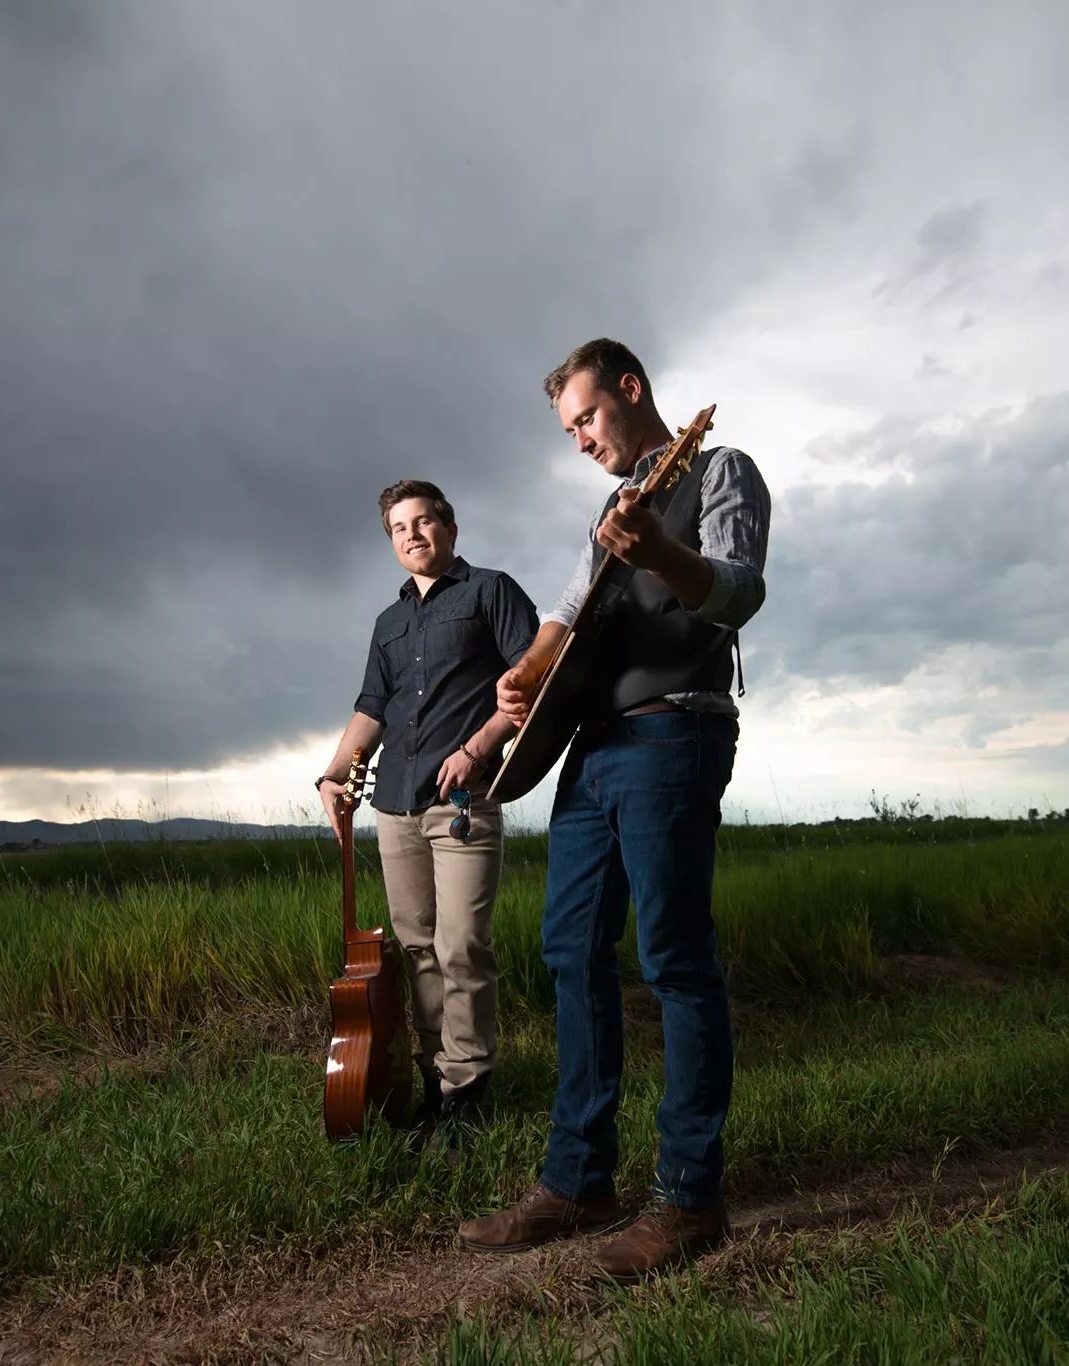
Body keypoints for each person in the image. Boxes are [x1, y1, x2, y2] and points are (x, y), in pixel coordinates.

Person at [457, 339, 770, 1280]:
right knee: (569, 951)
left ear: (631, 389)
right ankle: (578, 1182)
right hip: (591, 747)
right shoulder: (610, 508)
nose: (583, 440)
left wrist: (661, 552)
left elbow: (738, 593)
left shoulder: (721, 470)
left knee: (673, 957)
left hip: (674, 731)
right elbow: (565, 613)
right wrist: (523, 674)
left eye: (587, 418)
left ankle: (689, 1198)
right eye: (570, 431)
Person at [317, 479, 538, 1139]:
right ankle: (436, 1081)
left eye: (422, 521)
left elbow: (533, 680)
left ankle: (467, 1091)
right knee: (418, 948)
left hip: (462, 799)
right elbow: (372, 708)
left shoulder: (491, 592)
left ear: (449, 528)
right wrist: (333, 774)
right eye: (398, 528)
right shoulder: (388, 624)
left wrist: (476, 749)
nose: (411, 534)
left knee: (461, 944)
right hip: (394, 804)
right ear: (391, 542)